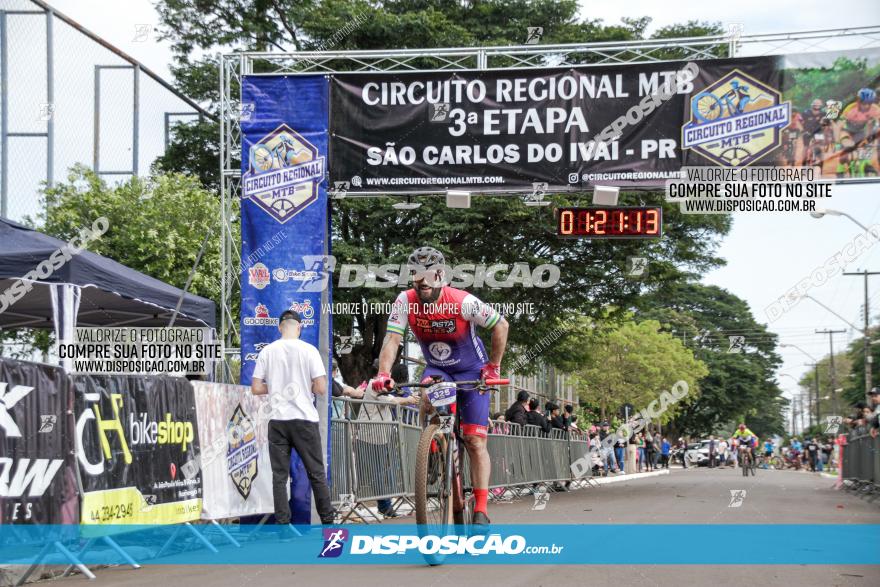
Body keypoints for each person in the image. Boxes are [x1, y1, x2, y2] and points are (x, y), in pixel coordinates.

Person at [373, 246, 509, 528]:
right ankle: (434, 446)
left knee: (474, 440)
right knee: (425, 393)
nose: (421, 281)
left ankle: (482, 508)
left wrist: (492, 367)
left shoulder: (462, 301)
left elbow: (501, 326)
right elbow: (393, 340)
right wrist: (383, 373)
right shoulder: (405, 301)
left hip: (471, 370)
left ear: (441, 276)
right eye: (415, 274)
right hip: (438, 368)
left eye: (428, 275)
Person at [251, 310, 335, 526]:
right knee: (316, 473)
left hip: (278, 420)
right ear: (299, 327)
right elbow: (322, 388)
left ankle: (283, 527)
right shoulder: (309, 350)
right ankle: (328, 523)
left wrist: (278, 387)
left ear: (280, 327)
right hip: (304, 418)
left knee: (279, 477)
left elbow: (256, 388)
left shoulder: (267, 352)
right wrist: (304, 386)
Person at [357, 363, 418, 517]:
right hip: (369, 437)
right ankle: (385, 507)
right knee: (376, 474)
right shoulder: (374, 385)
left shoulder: (382, 386)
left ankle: (385, 506)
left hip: (379, 437)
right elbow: (393, 401)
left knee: (379, 474)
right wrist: (410, 399)